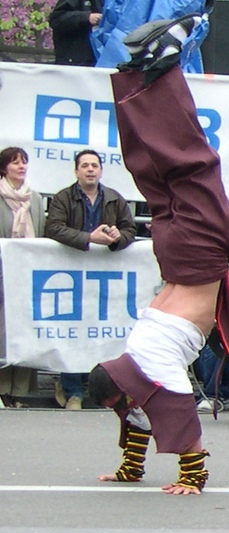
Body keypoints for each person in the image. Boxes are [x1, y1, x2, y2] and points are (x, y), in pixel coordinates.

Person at [79, 19, 229, 493]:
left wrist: (193, 476)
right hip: (174, 259)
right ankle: (138, 74)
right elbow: (137, 417)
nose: (129, 408)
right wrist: (128, 470)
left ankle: (164, 67)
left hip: (196, 259)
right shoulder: (133, 360)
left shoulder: (151, 368)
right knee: (151, 171)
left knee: (192, 165)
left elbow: (175, 414)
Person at [44, 148, 140, 409]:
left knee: (98, 331)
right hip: (70, 275)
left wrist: (118, 239)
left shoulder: (114, 198)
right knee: (72, 331)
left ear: (100, 170)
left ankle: (99, 390)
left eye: (94, 165)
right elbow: (52, 228)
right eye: (84, 165)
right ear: (76, 171)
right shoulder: (64, 197)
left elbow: (131, 229)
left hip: (104, 277)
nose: (89, 170)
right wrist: (88, 238)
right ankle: (73, 390)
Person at [0, 146, 47, 406]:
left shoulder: (35, 198)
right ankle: (2, 389)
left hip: (28, 276)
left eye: (24, 162)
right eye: (15, 162)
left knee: (25, 333)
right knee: (2, 333)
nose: (21, 166)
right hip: (2, 273)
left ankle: (19, 392)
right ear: (4, 167)